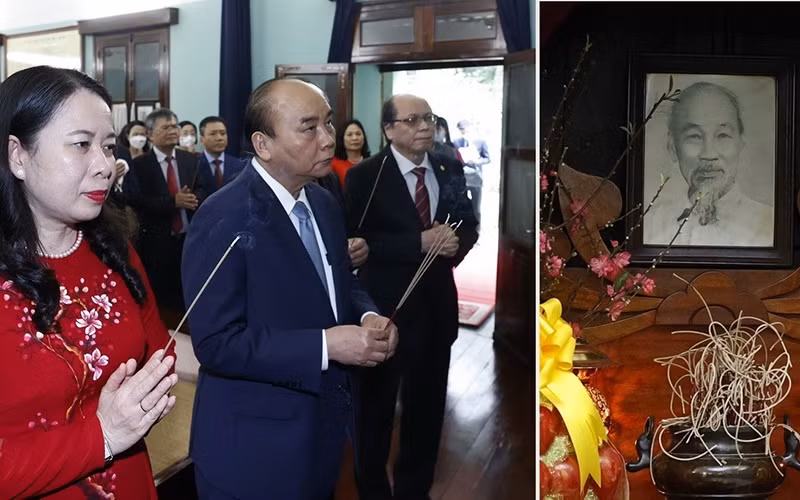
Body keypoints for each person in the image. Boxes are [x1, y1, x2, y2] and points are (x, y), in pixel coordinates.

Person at [182, 78, 399, 500]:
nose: (328, 139)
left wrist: (369, 315)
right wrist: (326, 346)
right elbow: (216, 343)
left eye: (329, 123)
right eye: (309, 127)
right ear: (263, 144)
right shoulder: (223, 216)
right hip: (252, 448)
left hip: (321, 430)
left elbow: (340, 285)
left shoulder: (322, 202)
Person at [0, 66, 178, 498]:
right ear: (18, 155)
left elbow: (158, 351)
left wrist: (149, 391)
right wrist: (102, 434)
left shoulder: (113, 249)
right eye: (81, 145)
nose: (105, 166)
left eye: (108, 146)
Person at [344, 94, 478, 500]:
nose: (425, 126)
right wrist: (416, 243)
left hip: (437, 308)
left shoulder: (449, 166)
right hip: (385, 311)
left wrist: (458, 244)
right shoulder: (365, 175)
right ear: (388, 130)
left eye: (429, 118)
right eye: (413, 119)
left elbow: (468, 224)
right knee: (376, 413)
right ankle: (373, 491)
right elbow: (357, 243)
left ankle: (414, 489)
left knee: (427, 411)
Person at [643, 81, 773, 246]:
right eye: (694, 136)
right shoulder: (649, 225)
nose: (709, 154)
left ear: (741, 144)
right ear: (672, 147)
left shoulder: (769, 224)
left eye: (723, 135)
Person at [128, 109, 210, 314]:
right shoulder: (139, 165)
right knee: (161, 300)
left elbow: (202, 188)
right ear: (150, 134)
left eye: (175, 126)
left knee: (190, 293)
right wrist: (173, 201)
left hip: (188, 239)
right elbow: (137, 200)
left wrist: (192, 199)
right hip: (157, 242)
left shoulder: (191, 159)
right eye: (166, 127)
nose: (173, 131)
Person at [454, 119, 490, 226]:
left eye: (465, 130)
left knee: (476, 208)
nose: (464, 133)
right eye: (461, 131)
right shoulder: (456, 142)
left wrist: (475, 161)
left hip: (476, 177)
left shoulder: (481, 142)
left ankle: (477, 231)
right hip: (462, 177)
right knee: (460, 206)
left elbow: (487, 158)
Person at [197, 115, 245, 193]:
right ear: (202, 140)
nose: (219, 138)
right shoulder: (195, 165)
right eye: (213, 134)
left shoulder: (239, 165)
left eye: (223, 133)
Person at [332, 119, 371, 187]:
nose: (355, 138)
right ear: (342, 138)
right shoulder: (333, 164)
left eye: (358, 134)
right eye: (349, 135)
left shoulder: (371, 163)